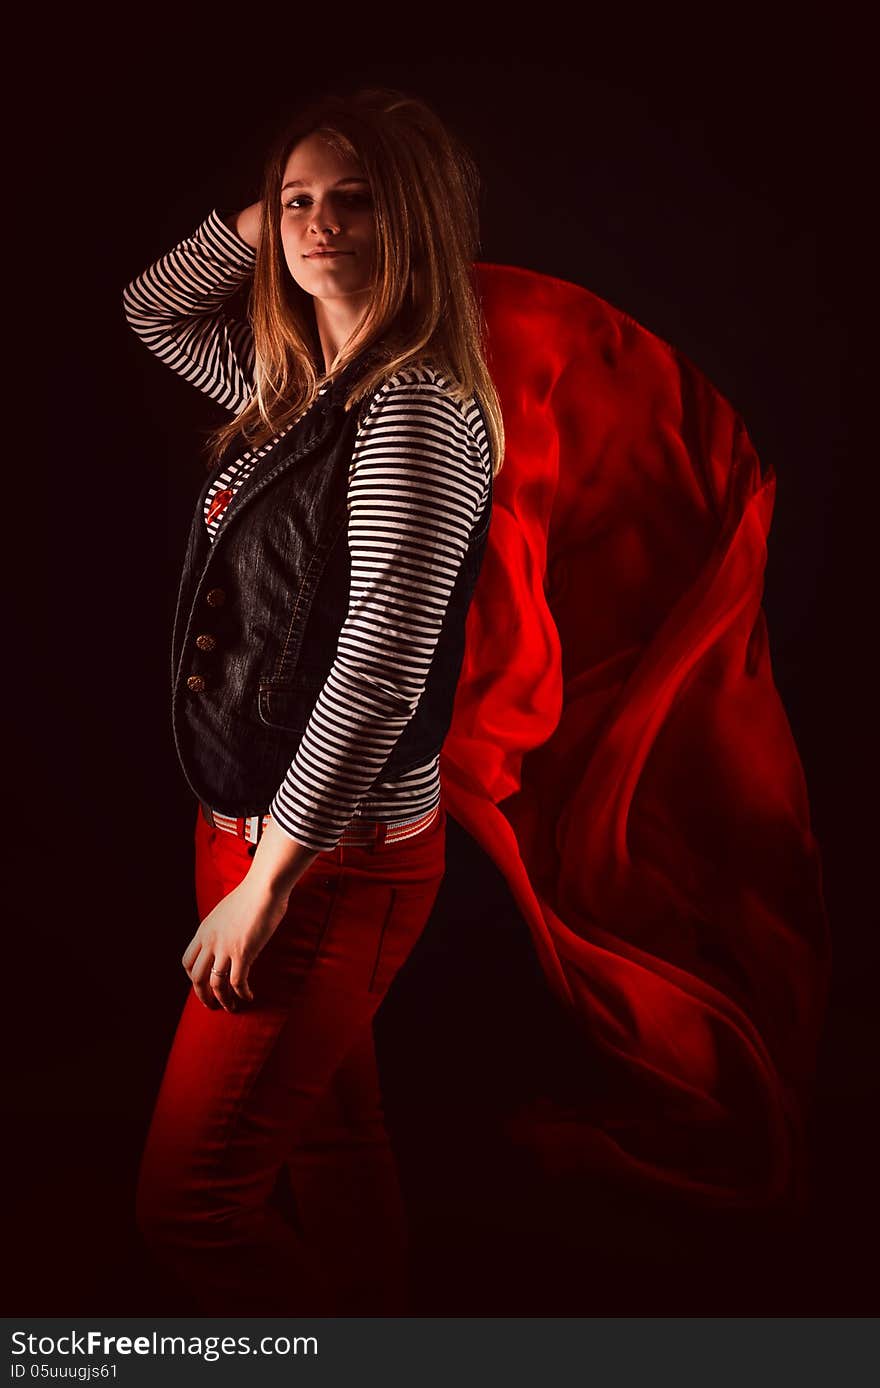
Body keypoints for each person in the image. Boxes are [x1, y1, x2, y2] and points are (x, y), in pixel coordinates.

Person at [122, 86, 505, 1315]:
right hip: (254, 831)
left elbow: (379, 666)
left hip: (321, 859)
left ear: (419, 222)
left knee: (190, 1209)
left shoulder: (409, 416)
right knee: (331, 1144)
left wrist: (268, 885)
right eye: (301, 203)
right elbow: (151, 307)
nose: (319, 226)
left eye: (357, 200)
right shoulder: (300, 380)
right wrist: (255, 219)